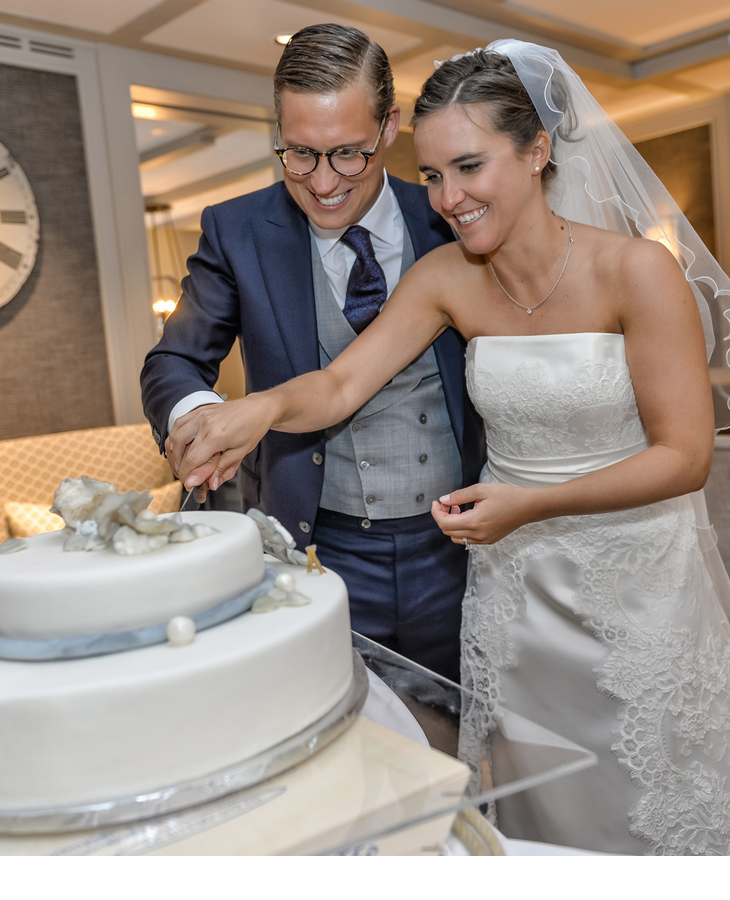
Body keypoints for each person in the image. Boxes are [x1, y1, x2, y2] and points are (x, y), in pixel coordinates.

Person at [171, 39, 730, 855]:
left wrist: (531, 503)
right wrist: (249, 411)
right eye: (432, 176)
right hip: (516, 596)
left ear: (538, 151)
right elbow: (335, 387)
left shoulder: (640, 271)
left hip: (637, 583)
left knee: (655, 791)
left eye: (469, 167)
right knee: (537, 798)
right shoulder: (445, 277)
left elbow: (686, 456)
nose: (449, 199)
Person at [141, 24, 485, 684]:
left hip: (459, 548)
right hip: (318, 550)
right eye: (299, 154)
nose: (323, 182)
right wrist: (206, 419)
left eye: (348, 153)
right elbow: (173, 363)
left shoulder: (451, 215)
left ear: (389, 127)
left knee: (468, 747)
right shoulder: (236, 230)